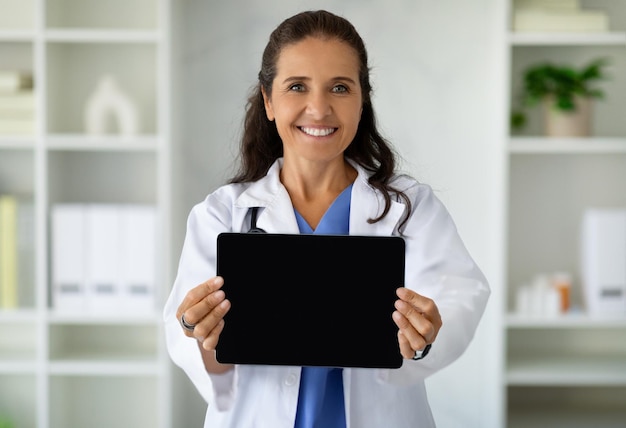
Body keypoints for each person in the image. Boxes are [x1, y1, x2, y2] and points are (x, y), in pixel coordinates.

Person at [164, 9, 490, 428]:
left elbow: (461, 296)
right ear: (268, 100)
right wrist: (200, 333)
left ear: (362, 99)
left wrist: (425, 335)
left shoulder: (411, 208)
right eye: (297, 86)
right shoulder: (221, 214)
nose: (318, 109)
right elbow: (192, 347)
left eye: (339, 87)